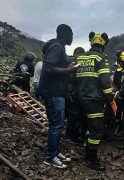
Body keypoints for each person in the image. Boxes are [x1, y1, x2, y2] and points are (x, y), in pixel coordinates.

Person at [39, 24, 77, 169]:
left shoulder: (58, 47)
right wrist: (68, 70)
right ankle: (50, 157)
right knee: (56, 125)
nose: (72, 38)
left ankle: (55, 152)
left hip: (55, 92)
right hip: (53, 93)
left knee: (57, 125)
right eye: (71, 34)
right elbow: (49, 67)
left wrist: (67, 64)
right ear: (66, 34)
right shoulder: (57, 47)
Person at [76, 32, 112, 171]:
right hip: (94, 100)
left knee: (88, 127)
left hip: (81, 99)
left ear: (91, 42)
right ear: (104, 44)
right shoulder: (101, 58)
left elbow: (74, 79)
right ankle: (92, 160)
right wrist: (109, 98)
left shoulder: (81, 57)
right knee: (96, 130)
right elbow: (104, 81)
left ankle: (87, 153)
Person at [65, 47, 86, 144]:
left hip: (66, 90)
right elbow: (74, 78)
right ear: (80, 53)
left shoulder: (67, 59)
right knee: (74, 114)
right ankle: (70, 136)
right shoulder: (75, 62)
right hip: (72, 92)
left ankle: (69, 134)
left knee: (68, 113)